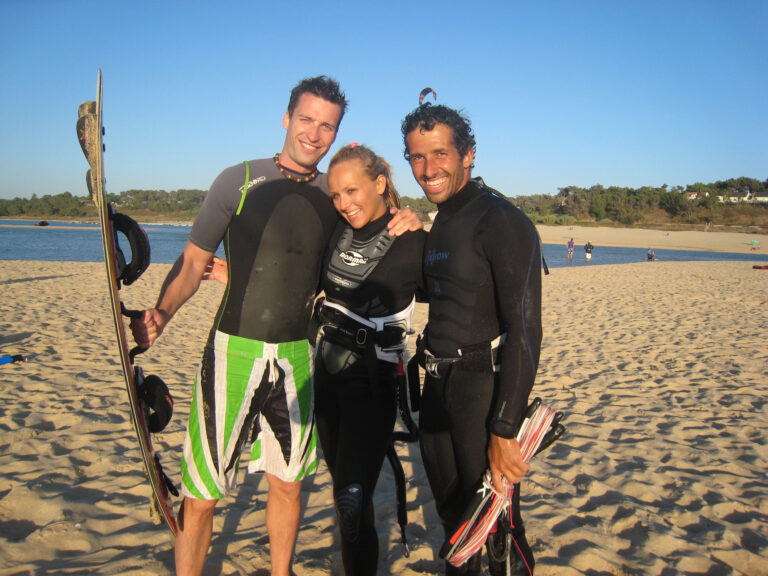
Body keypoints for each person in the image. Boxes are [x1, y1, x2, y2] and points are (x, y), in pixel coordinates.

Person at [129, 76, 418, 576]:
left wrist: (406, 217)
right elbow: (195, 260)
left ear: (336, 133)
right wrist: (162, 312)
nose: (314, 133)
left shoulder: (333, 194)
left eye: (327, 126)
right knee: (202, 492)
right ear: (287, 118)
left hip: (299, 357)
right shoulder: (237, 180)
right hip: (232, 351)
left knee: (287, 484)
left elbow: (358, 237)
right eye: (306, 119)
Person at [401, 102, 542, 575]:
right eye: (417, 157)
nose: (428, 169)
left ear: (468, 155)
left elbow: (525, 329)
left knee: (498, 527)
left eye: (440, 154)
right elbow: (439, 290)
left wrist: (504, 428)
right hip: (436, 389)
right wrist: (407, 236)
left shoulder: (502, 221)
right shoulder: (442, 219)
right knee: (454, 525)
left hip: (482, 394)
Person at [312, 143, 426, 575]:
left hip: (373, 382)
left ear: (380, 183)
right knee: (346, 501)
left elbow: (460, 294)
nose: (344, 203)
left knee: (351, 500)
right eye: (336, 194)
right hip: (327, 376)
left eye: (352, 191)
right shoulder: (336, 230)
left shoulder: (413, 240)